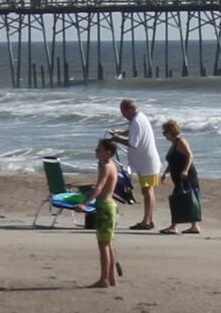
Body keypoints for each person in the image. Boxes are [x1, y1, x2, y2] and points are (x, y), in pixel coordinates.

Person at [119, 98, 167, 230]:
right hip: (147, 161)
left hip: (146, 162)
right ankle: (149, 219)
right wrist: (123, 132)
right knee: (148, 190)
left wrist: (116, 139)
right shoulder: (140, 117)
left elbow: (132, 144)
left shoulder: (136, 122)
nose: (122, 115)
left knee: (147, 191)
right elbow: (136, 132)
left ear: (129, 109)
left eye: (123, 111)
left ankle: (146, 221)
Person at [87, 136, 127, 287]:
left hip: (105, 206)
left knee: (103, 244)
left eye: (99, 149)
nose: (96, 151)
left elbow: (99, 187)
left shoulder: (106, 166)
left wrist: (85, 203)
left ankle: (104, 278)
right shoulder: (111, 165)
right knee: (108, 242)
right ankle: (111, 278)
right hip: (110, 205)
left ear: (108, 153)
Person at [162, 119, 203, 233]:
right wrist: (165, 173)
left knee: (183, 198)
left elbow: (189, 155)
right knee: (184, 199)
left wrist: (185, 170)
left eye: (165, 132)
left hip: (187, 176)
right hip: (179, 176)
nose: (164, 135)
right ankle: (194, 226)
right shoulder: (174, 144)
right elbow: (173, 161)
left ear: (171, 131)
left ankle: (174, 226)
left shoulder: (181, 141)